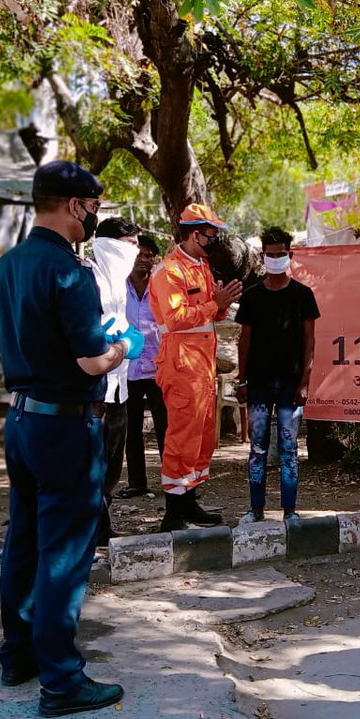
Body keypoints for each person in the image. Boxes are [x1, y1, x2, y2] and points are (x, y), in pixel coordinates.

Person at [0, 160, 135, 718]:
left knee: (23, 539)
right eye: (93, 206)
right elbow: (92, 359)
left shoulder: (7, 266)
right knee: (64, 552)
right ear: (75, 206)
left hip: (21, 420)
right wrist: (124, 347)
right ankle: (62, 681)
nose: (94, 216)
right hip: (66, 423)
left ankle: (17, 655)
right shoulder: (70, 272)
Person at [149, 203, 243, 532]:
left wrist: (220, 305)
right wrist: (214, 304)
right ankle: (173, 513)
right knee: (182, 435)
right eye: (210, 236)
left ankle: (189, 503)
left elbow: (208, 313)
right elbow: (175, 319)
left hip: (201, 363)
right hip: (180, 362)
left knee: (202, 436)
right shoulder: (169, 271)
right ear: (194, 234)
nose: (214, 241)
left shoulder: (200, 266)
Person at [235, 226, 320, 523]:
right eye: (270, 255)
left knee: (288, 448)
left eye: (281, 254)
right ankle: (255, 509)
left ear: (290, 254)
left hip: (291, 384)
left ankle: (290, 511)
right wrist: (241, 379)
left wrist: (305, 382)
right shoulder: (252, 296)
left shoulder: (303, 295)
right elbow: (243, 340)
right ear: (262, 256)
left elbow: (310, 341)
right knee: (257, 448)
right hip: (257, 383)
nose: (276, 259)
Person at [89, 217, 143, 542]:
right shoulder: (90, 278)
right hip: (95, 389)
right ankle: (91, 529)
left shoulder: (118, 283)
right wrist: (112, 338)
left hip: (118, 385)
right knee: (92, 464)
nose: (136, 252)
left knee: (112, 463)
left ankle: (101, 525)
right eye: (131, 244)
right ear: (111, 245)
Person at [122, 234, 167, 499]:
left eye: (150, 255)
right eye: (141, 254)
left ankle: (170, 480)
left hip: (158, 367)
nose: (145, 260)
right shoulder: (118, 286)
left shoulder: (162, 286)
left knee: (166, 427)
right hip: (127, 367)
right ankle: (137, 482)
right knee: (132, 429)